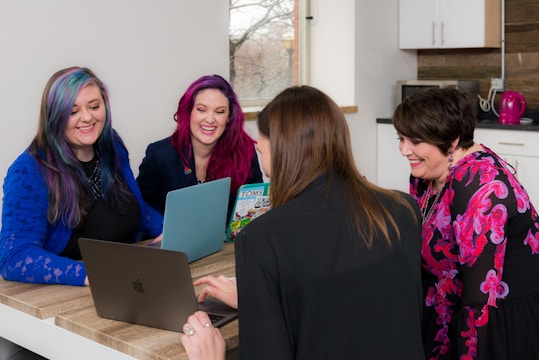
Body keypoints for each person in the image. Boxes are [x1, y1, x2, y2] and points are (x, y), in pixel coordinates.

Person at [181, 85, 425, 360]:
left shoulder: (262, 238)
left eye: (262, 149)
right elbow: (354, 303)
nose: (260, 155)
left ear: (282, 151)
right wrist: (262, 299)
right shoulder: (403, 210)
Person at [392, 87, 539, 359]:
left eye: (414, 140)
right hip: (446, 308)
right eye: (401, 139)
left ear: (452, 141)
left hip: (496, 323)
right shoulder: (425, 174)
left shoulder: (481, 188)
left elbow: (478, 303)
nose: (404, 150)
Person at [0, 66, 163, 287]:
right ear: (54, 116)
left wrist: (169, 231)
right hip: (71, 295)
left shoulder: (112, 146)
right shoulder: (29, 170)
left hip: (128, 281)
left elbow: (136, 208)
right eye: (73, 111)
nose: (87, 117)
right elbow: (15, 257)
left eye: (94, 106)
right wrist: (90, 273)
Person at [136, 74, 263, 222]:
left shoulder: (244, 151)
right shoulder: (160, 155)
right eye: (201, 110)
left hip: (227, 242)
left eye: (220, 112)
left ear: (229, 117)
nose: (210, 119)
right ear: (189, 112)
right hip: (171, 241)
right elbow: (142, 208)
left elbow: (255, 206)